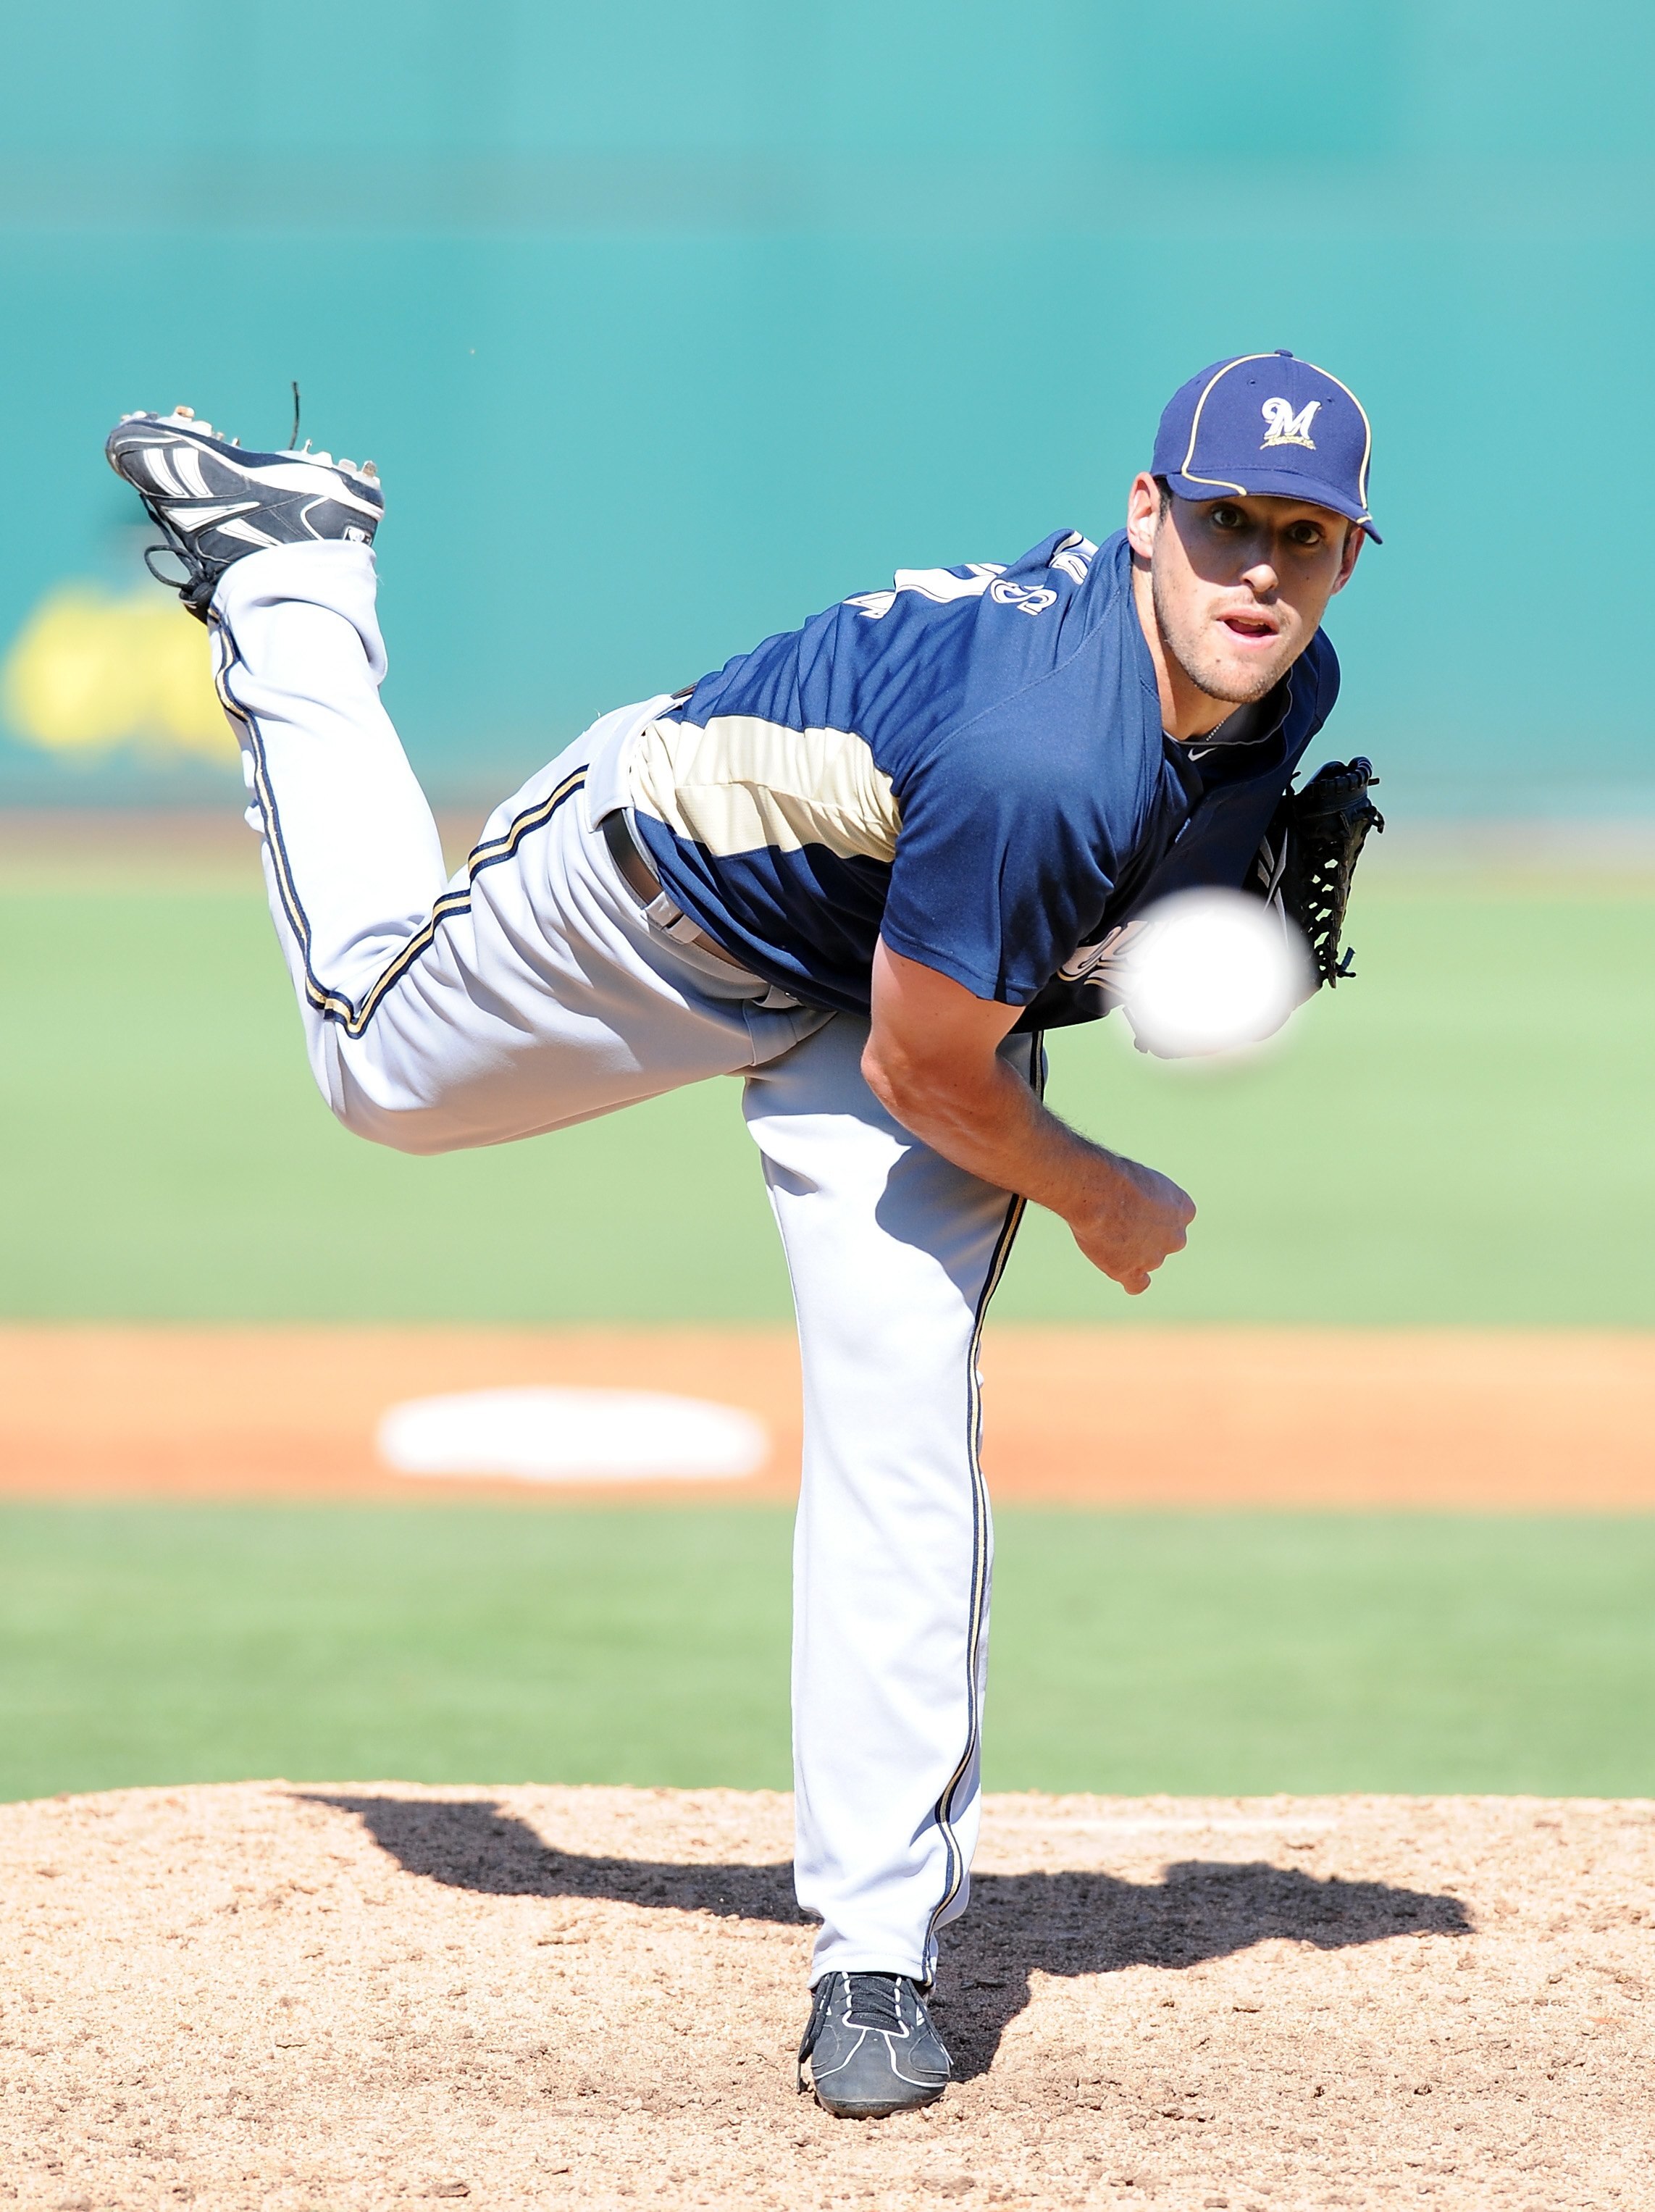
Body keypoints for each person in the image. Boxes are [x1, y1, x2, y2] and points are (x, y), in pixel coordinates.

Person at [105, 348, 1375, 2119]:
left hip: (887, 974)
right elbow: (940, 1070)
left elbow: (1018, 951)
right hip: (659, 901)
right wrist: (1103, 1189)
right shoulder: (1038, 749)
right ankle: (290, 573)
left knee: (904, 1411)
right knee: (374, 1068)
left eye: (1304, 538)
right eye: (1229, 521)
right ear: (1147, 516)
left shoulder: (1280, 685)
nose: (1261, 571)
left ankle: (877, 1957)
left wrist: (1151, 943)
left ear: (1345, 562)